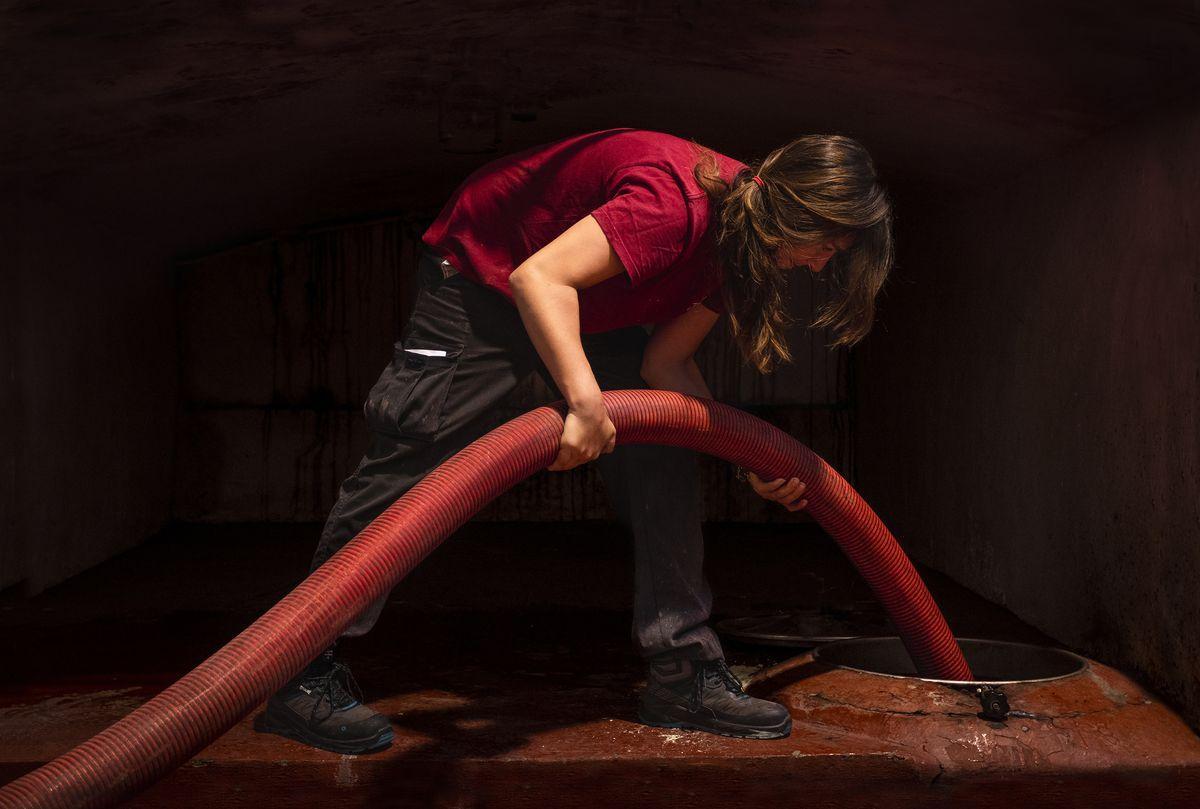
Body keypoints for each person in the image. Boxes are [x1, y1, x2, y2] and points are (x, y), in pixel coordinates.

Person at [253, 127, 894, 754]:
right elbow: (538, 280)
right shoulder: (678, 205)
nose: (824, 261)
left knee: (664, 441)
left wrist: (743, 460)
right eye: (828, 243)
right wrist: (584, 405)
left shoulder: (742, 247)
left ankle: (683, 675)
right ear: (798, 211)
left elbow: (663, 366)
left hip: (586, 301)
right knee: (411, 461)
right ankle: (298, 674)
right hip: (488, 278)